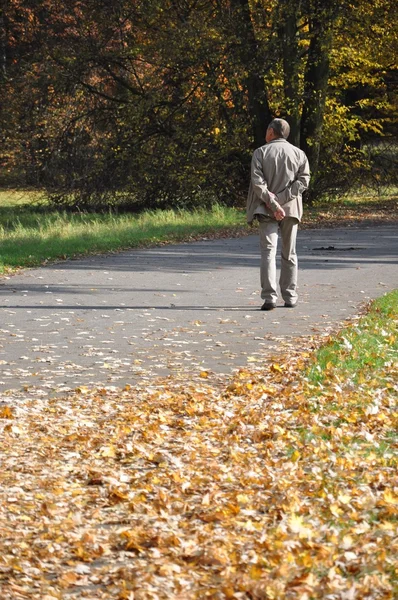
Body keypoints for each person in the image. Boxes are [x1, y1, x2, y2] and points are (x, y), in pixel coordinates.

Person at [246, 118, 310, 310]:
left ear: (271, 131)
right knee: (289, 253)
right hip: (291, 210)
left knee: (268, 252)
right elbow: (304, 181)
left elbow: (258, 184)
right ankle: (290, 296)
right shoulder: (299, 154)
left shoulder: (260, 153)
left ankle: (269, 297)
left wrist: (274, 204)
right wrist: (283, 200)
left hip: (266, 209)